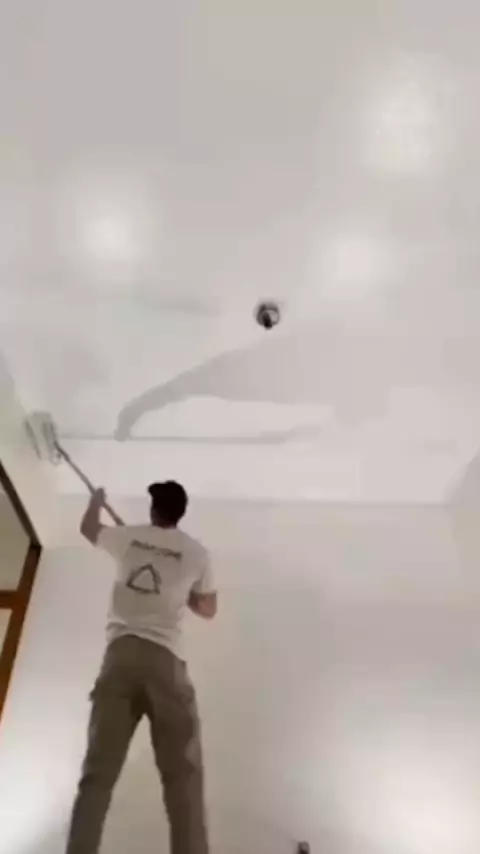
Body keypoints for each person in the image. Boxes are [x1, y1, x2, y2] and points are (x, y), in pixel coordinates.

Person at [66, 480, 217, 854]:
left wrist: (96, 501)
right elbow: (209, 609)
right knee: (183, 778)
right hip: (165, 662)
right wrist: (185, 593)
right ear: (181, 513)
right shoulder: (197, 553)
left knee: (98, 774)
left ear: (153, 509)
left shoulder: (128, 537)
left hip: (119, 658)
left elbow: (88, 528)